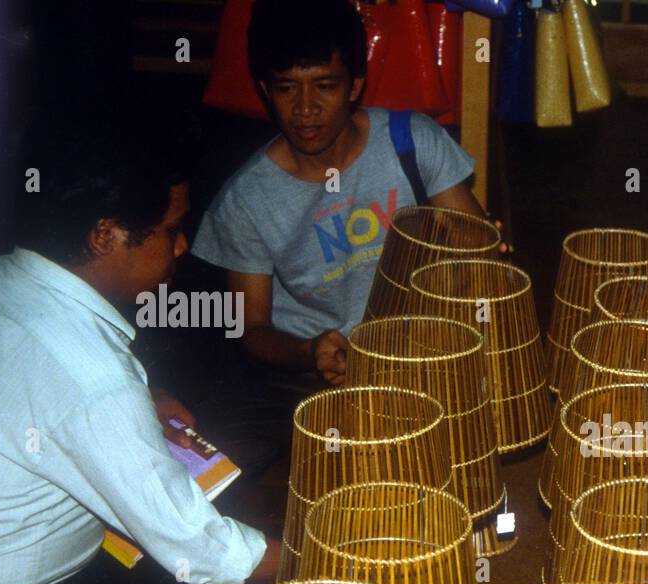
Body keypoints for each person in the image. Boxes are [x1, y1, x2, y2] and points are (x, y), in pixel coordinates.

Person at [0, 118, 281, 584]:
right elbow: (197, 545)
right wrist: (304, 558)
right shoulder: (92, 384)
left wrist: (140, 395)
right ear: (104, 235)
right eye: (171, 229)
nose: (184, 245)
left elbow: (32, 384)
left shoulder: (4, 275)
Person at [191, 0, 494, 389]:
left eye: (325, 86)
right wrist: (309, 352)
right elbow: (252, 330)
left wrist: (479, 248)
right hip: (309, 379)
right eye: (286, 88)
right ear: (265, 90)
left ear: (354, 86)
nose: (305, 108)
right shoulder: (246, 199)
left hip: (418, 356)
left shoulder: (412, 142)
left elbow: (477, 249)